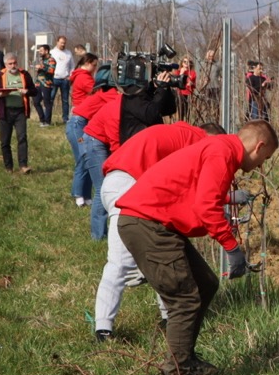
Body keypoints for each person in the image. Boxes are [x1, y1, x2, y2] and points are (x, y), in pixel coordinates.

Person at [117, 120, 279, 375]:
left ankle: (185, 360)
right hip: (148, 224)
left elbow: (195, 191)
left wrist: (227, 200)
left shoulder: (219, 148)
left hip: (154, 222)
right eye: (266, 157)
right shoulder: (222, 152)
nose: (262, 165)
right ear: (259, 145)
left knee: (205, 283)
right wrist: (231, 247)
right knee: (184, 299)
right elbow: (206, 207)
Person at [92, 120, 224, 341]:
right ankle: (103, 329)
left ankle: (167, 316)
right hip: (129, 185)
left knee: (164, 251)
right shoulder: (196, 142)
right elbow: (197, 192)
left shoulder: (179, 134)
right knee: (120, 262)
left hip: (117, 182)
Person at [83, 67, 178, 240]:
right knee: (103, 186)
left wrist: (164, 89)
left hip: (101, 137)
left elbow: (162, 110)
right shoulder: (118, 110)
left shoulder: (133, 104)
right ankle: (98, 235)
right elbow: (116, 146)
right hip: (92, 140)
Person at [0, 54, 35, 173]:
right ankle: (9, 167)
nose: (13, 66)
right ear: (5, 64)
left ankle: (23, 166)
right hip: (5, 112)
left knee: (22, 137)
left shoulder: (24, 74)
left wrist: (26, 91)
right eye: (10, 64)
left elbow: (35, 91)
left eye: (15, 63)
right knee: (5, 141)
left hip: (20, 111)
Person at [65, 53, 103, 207]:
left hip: (83, 120)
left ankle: (86, 194)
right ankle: (79, 194)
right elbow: (98, 92)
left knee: (87, 157)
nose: (95, 69)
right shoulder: (84, 77)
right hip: (78, 123)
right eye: (94, 65)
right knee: (83, 157)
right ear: (87, 63)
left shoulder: (79, 76)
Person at [50, 36, 74, 124]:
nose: (63, 44)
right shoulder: (52, 52)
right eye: (61, 42)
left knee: (65, 100)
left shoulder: (68, 53)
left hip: (65, 79)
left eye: (64, 43)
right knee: (50, 99)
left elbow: (72, 66)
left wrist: (70, 76)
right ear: (57, 42)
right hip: (54, 79)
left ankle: (65, 119)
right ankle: (47, 118)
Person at [31, 43, 56, 126]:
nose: (40, 52)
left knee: (47, 102)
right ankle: (42, 119)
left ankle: (47, 121)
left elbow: (51, 71)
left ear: (46, 51)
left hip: (46, 84)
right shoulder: (41, 60)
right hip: (38, 83)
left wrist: (42, 67)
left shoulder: (51, 60)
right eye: (39, 51)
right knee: (36, 101)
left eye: (41, 51)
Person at [175, 56, 198, 121]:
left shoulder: (192, 73)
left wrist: (191, 83)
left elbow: (194, 85)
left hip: (188, 94)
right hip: (180, 93)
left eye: (188, 62)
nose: (186, 63)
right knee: (180, 111)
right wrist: (181, 73)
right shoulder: (178, 71)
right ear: (182, 63)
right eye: (184, 62)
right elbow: (176, 82)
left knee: (187, 112)